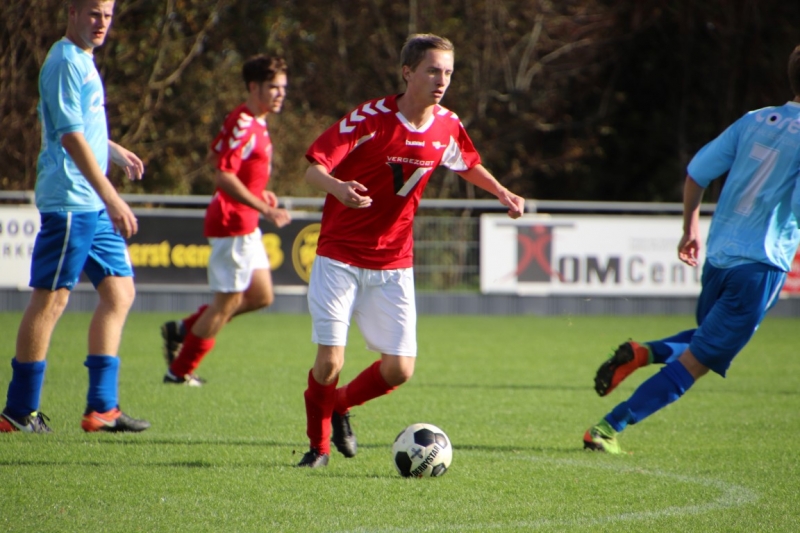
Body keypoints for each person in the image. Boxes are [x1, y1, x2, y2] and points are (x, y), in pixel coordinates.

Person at [296, 34, 526, 467]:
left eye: (448, 72)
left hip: (393, 261)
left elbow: (466, 162)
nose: (442, 80)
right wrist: (338, 187)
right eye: (433, 70)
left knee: (400, 369)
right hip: (340, 255)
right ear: (407, 72)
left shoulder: (447, 124)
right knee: (329, 362)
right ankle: (318, 449)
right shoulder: (370, 118)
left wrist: (501, 191)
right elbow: (314, 169)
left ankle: (339, 405)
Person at [584, 44, 800, 454]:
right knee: (698, 361)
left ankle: (643, 353)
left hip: (719, 259)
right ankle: (607, 428)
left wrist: (690, 229)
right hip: (760, 266)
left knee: (705, 339)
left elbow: (697, 172)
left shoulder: (754, 120)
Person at [0, 0, 149, 433]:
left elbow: (81, 127)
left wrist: (112, 150)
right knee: (50, 300)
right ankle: (18, 411)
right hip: (71, 200)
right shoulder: (65, 60)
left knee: (119, 293)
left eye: (108, 14)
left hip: (91, 204)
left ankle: (102, 409)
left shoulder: (82, 58)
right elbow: (68, 136)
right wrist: (113, 197)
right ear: (72, 12)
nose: (102, 23)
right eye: (94, 13)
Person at [160, 55, 291, 386]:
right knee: (227, 302)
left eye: (283, 87)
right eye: (273, 87)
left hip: (246, 222)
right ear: (253, 87)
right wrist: (264, 207)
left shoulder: (254, 121)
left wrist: (259, 193)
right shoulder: (244, 122)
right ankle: (179, 372)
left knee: (261, 296)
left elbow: (214, 155)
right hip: (233, 223)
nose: (280, 93)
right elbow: (222, 174)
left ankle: (183, 329)